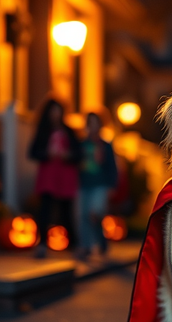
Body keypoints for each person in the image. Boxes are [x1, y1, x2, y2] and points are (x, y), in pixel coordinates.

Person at [28, 99, 79, 258]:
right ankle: (42, 243)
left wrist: (68, 155)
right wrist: (46, 154)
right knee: (45, 209)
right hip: (48, 175)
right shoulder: (43, 132)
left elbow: (79, 154)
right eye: (53, 111)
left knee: (66, 211)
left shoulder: (69, 131)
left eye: (58, 111)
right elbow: (32, 152)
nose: (55, 115)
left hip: (65, 176)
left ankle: (74, 244)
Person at [76, 111, 118, 259]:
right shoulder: (81, 144)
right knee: (83, 215)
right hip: (83, 184)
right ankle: (86, 246)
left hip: (100, 184)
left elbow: (112, 167)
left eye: (96, 123)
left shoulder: (105, 146)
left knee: (95, 213)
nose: (93, 126)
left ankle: (101, 241)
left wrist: (112, 185)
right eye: (90, 123)